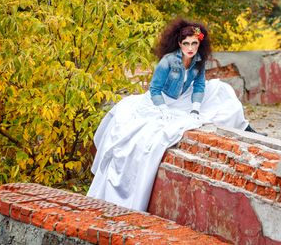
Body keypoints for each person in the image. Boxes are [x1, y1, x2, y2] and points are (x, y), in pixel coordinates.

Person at [87, 18, 264, 211]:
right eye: (186, 43)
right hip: (161, 100)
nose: (190, 47)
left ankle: (246, 128)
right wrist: (163, 110)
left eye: (194, 43)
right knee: (148, 130)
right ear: (179, 44)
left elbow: (199, 85)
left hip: (186, 98)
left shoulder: (198, 61)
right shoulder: (168, 62)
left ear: (199, 44)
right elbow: (154, 89)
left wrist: (196, 107)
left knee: (222, 91)